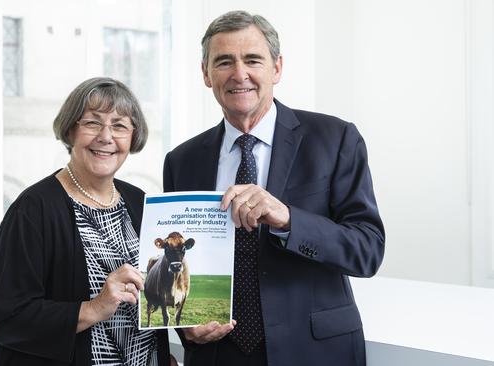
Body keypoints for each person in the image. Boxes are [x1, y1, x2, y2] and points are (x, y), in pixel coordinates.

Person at [163, 10, 385, 366]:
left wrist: (288, 219)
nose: (240, 74)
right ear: (205, 74)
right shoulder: (182, 160)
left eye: (253, 60)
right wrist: (184, 327)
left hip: (314, 350)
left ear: (277, 68)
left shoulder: (335, 139)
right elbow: (180, 262)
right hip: (219, 354)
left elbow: (368, 249)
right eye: (223, 62)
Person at [0, 77, 172, 366]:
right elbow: (9, 319)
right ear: (71, 130)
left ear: (133, 137)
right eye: (92, 123)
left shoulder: (140, 202)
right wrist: (95, 307)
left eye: (120, 125)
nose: (106, 137)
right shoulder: (32, 209)